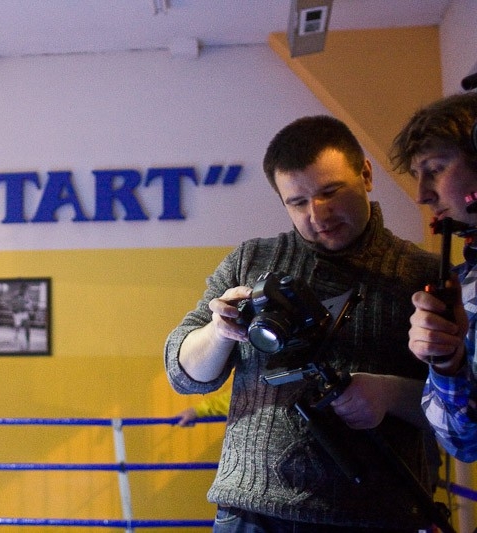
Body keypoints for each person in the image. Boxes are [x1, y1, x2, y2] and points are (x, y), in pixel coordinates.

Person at [164, 115, 442, 532]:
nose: (318, 214)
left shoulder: (422, 274)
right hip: (251, 510)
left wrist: (389, 393)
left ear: (366, 175)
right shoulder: (250, 261)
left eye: (331, 192)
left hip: (375, 513)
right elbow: (183, 374)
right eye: (298, 202)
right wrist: (219, 331)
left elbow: (463, 406)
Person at [390, 91, 477, 463]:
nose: (422, 195)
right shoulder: (464, 283)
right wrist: (447, 364)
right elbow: (463, 444)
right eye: (417, 175)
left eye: (436, 169)